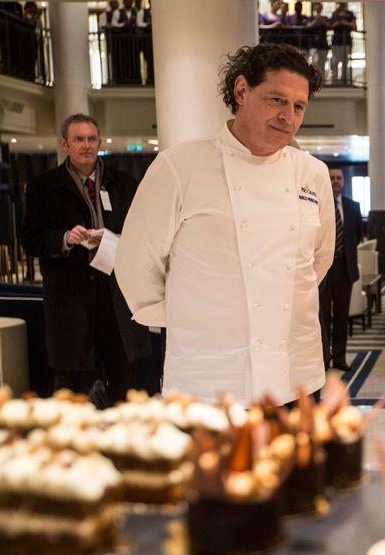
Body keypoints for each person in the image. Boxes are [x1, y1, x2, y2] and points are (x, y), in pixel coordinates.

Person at [116, 43, 333, 405]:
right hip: (208, 378)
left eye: (299, 106)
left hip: (296, 374)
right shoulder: (179, 167)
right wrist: (195, 320)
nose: (288, 116)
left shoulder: (313, 173)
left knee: (295, 463)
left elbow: (318, 261)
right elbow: (135, 265)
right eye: (277, 100)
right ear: (242, 90)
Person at [20, 114, 152, 406]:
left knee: (125, 386)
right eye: (79, 139)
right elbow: (30, 239)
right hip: (72, 302)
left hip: (118, 298)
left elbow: (144, 233)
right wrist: (65, 238)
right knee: (72, 391)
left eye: (92, 139)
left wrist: (114, 238)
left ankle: (127, 446)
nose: (86, 145)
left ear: (100, 142)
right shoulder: (43, 187)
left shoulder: (124, 183)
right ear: (64, 143)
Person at [320, 168, 364, 371]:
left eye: (338, 178)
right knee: (322, 317)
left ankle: (339, 358)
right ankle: (324, 359)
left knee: (341, 317)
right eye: (331, 178)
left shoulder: (352, 206)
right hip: (322, 269)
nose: (335, 181)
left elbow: (358, 235)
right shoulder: (318, 204)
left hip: (344, 269)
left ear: (343, 181)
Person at [330, 2, 357, 84]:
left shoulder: (350, 14)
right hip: (336, 40)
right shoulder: (335, 13)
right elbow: (330, 25)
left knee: (345, 61)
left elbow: (354, 26)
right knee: (335, 61)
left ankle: (344, 80)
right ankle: (334, 80)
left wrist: (346, 23)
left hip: (346, 40)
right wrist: (337, 24)